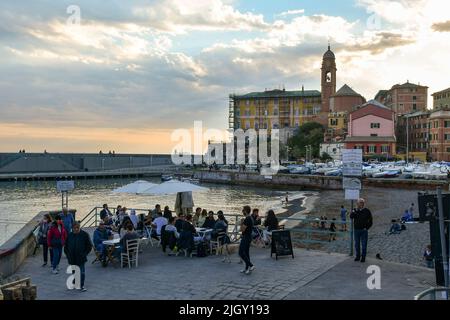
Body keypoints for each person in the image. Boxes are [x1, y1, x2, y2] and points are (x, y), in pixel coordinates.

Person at [64, 221, 92, 291]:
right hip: (72, 257)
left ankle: (81, 285)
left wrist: (84, 253)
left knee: (81, 272)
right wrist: (68, 254)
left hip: (81, 257)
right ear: (72, 228)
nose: (76, 229)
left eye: (77, 227)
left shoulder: (85, 235)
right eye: (74, 228)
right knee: (74, 272)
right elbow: (66, 246)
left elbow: (89, 246)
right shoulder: (69, 235)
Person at [350, 198, 373, 263]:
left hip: (364, 231)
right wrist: (355, 210)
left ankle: (363, 257)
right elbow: (351, 216)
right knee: (357, 244)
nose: (360, 204)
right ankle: (357, 256)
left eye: (361, 202)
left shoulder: (367, 211)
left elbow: (371, 221)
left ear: (363, 204)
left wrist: (367, 228)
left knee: (364, 245)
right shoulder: (355, 210)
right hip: (356, 230)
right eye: (359, 203)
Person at [239, 205, 255, 275]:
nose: (242, 211)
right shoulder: (250, 218)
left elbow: (242, 229)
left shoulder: (247, 219)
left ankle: (251, 265)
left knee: (241, 252)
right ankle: (247, 268)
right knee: (246, 253)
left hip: (246, 237)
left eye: (243, 210)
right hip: (248, 237)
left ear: (245, 211)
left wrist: (242, 222)